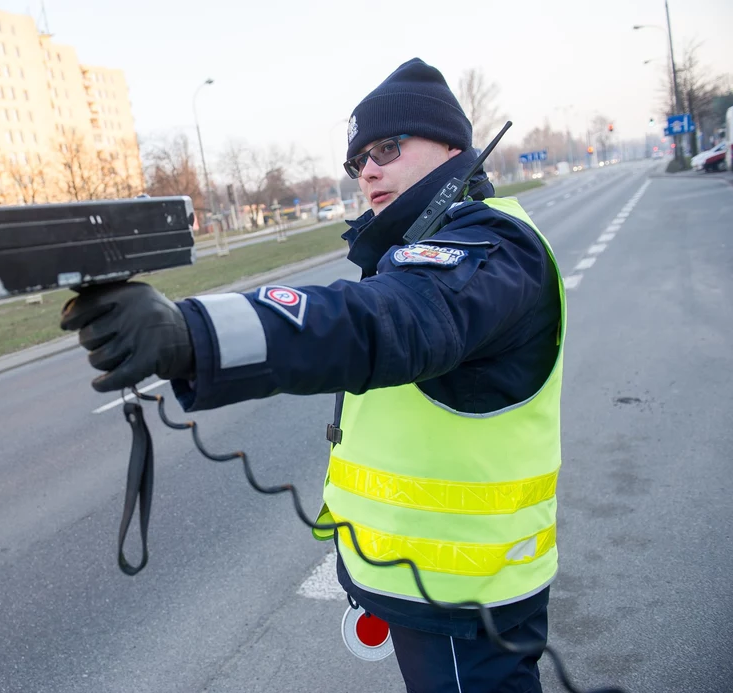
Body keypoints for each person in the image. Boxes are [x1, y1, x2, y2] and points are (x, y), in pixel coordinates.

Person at [61, 57, 565, 693]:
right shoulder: (410, 251)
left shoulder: (489, 244)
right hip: (427, 583)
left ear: (454, 147)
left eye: (387, 146)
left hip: (465, 600)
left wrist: (194, 335)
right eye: (357, 162)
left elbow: (384, 322)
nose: (369, 170)